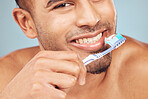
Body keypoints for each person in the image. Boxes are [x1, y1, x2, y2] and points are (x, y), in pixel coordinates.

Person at [0, 0, 148, 98]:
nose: (91, 19)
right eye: (62, 5)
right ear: (27, 23)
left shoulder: (143, 70)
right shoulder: (5, 82)